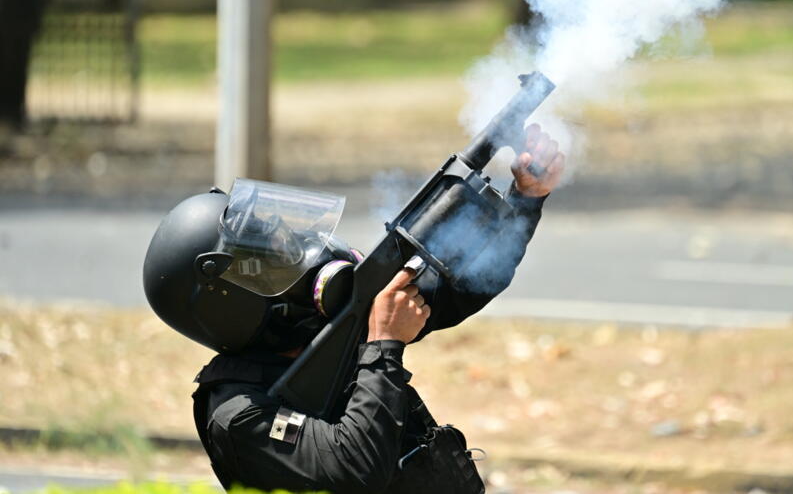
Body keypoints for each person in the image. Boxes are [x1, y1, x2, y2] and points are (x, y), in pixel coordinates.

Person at [143, 125, 564, 494]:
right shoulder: (239, 415)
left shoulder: (318, 329)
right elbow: (356, 469)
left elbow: (459, 286)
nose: (296, 254)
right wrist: (383, 345)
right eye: (270, 259)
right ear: (229, 302)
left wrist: (524, 198)